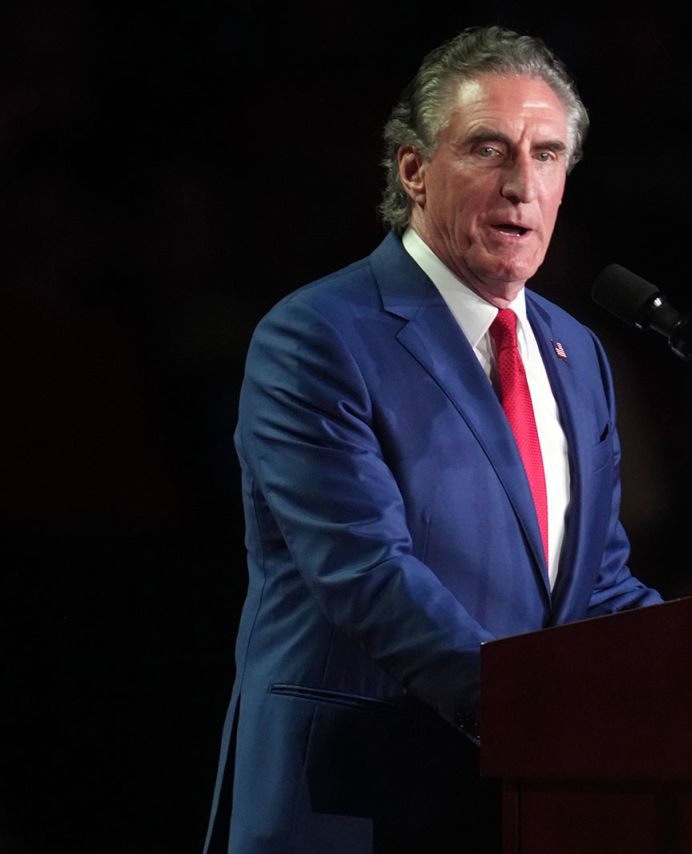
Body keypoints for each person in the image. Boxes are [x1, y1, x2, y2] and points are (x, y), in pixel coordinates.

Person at [203, 26, 661, 854]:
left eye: (549, 155)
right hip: (353, 802)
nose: (522, 184)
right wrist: (535, 715)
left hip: (516, 807)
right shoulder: (317, 336)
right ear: (413, 169)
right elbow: (365, 572)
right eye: (489, 149)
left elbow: (594, 588)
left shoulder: (577, 353)